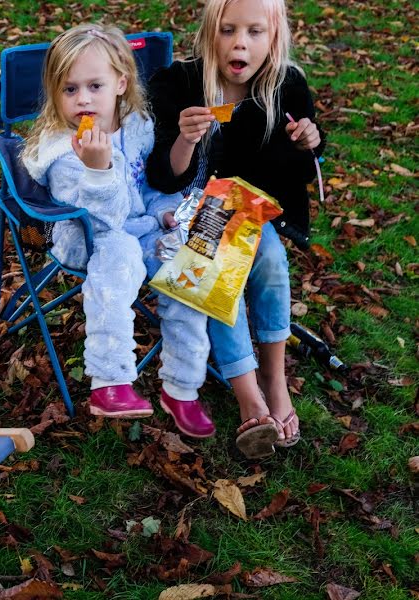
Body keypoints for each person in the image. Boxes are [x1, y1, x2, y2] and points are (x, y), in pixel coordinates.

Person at [146, 0, 325, 458]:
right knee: (224, 257)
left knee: (268, 258)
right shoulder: (178, 84)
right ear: (209, 34)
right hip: (181, 211)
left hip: (246, 209)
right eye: (228, 30)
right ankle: (248, 391)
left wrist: (310, 141)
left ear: (274, 39)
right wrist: (185, 140)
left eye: (255, 32)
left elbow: (297, 173)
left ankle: (274, 377)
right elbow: (163, 178)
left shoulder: (286, 86)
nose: (240, 42)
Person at [21, 24, 215, 438]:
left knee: (188, 266)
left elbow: (150, 184)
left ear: (121, 84)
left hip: (142, 226)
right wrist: (97, 170)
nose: (83, 99)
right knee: (120, 254)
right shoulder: (63, 151)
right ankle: (110, 381)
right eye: (69, 90)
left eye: (95, 85)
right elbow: (102, 218)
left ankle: (182, 385)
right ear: (55, 93)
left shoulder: (137, 126)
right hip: (88, 238)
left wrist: (166, 213)